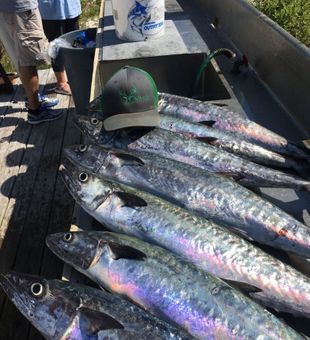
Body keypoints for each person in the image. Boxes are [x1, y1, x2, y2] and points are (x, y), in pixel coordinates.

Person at [0, 0, 63, 125]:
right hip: (19, 10)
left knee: (22, 56)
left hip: (12, 9)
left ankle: (33, 100)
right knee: (28, 60)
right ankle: (35, 111)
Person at [38, 0, 82, 95]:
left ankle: (76, 77)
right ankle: (61, 83)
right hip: (51, 11)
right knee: (56, 46)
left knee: (75, 43)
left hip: (71, 7)